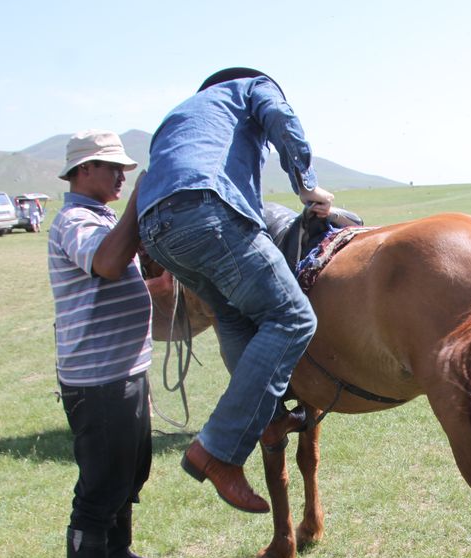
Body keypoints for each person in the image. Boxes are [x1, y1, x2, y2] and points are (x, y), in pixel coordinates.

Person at [137, 68, 334, 514]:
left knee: (231, 314)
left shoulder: (182, 116)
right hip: (206, 211)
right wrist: (307, 187)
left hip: (159, 231)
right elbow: (280, 116)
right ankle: (218, 451)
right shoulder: (250, 88)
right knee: (293, 317)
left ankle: (266, 418)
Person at [48, 129, 169, 558]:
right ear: (81, 171)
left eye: (124, 169)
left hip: (123, 369)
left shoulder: (97, 217)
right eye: (110, 166)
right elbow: (105, 261)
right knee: (100, 487)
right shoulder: (75, 220)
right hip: (98, 381)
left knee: (129, 472)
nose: (121, 174)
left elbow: (115, 272)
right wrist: (139, 202)